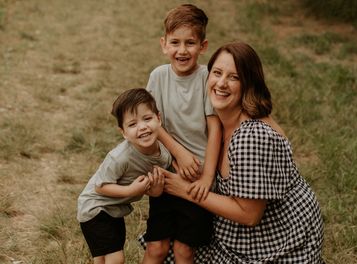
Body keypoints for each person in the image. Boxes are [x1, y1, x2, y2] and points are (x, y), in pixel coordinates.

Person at [162, 42, 325, 263]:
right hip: (236, 232)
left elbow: (250, 216)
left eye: (234, 77)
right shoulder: (218, 120)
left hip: (276, 244)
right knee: (172, 248)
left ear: (248, 84)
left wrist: (185, 190)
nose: (221, 83)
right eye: (217, 73)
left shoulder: (250, 137)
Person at [142, 3, 222, 264]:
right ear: (163, 44)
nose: (182, 50)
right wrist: (178, 156)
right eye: (175, 42)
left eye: (190, 43)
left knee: (185, 251)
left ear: (203, 46)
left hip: (197, 178)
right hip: (167, 172)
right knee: (156, 247)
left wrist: (207, 177)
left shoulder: (206, 77)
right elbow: (154, 124)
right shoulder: (158, 76)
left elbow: (214, 129)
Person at [77, 88, 172, 264]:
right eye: (132, 124)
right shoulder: (120, 157)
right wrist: (130, 189)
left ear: (158, 119)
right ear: (123, 132)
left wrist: (157, 190)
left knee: (102, 259)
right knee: (116, 258)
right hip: (95, 207)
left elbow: (151, 190)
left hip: (115, 210)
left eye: (147, 119)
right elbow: (100, 186)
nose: (142, 127)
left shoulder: (164, 156)